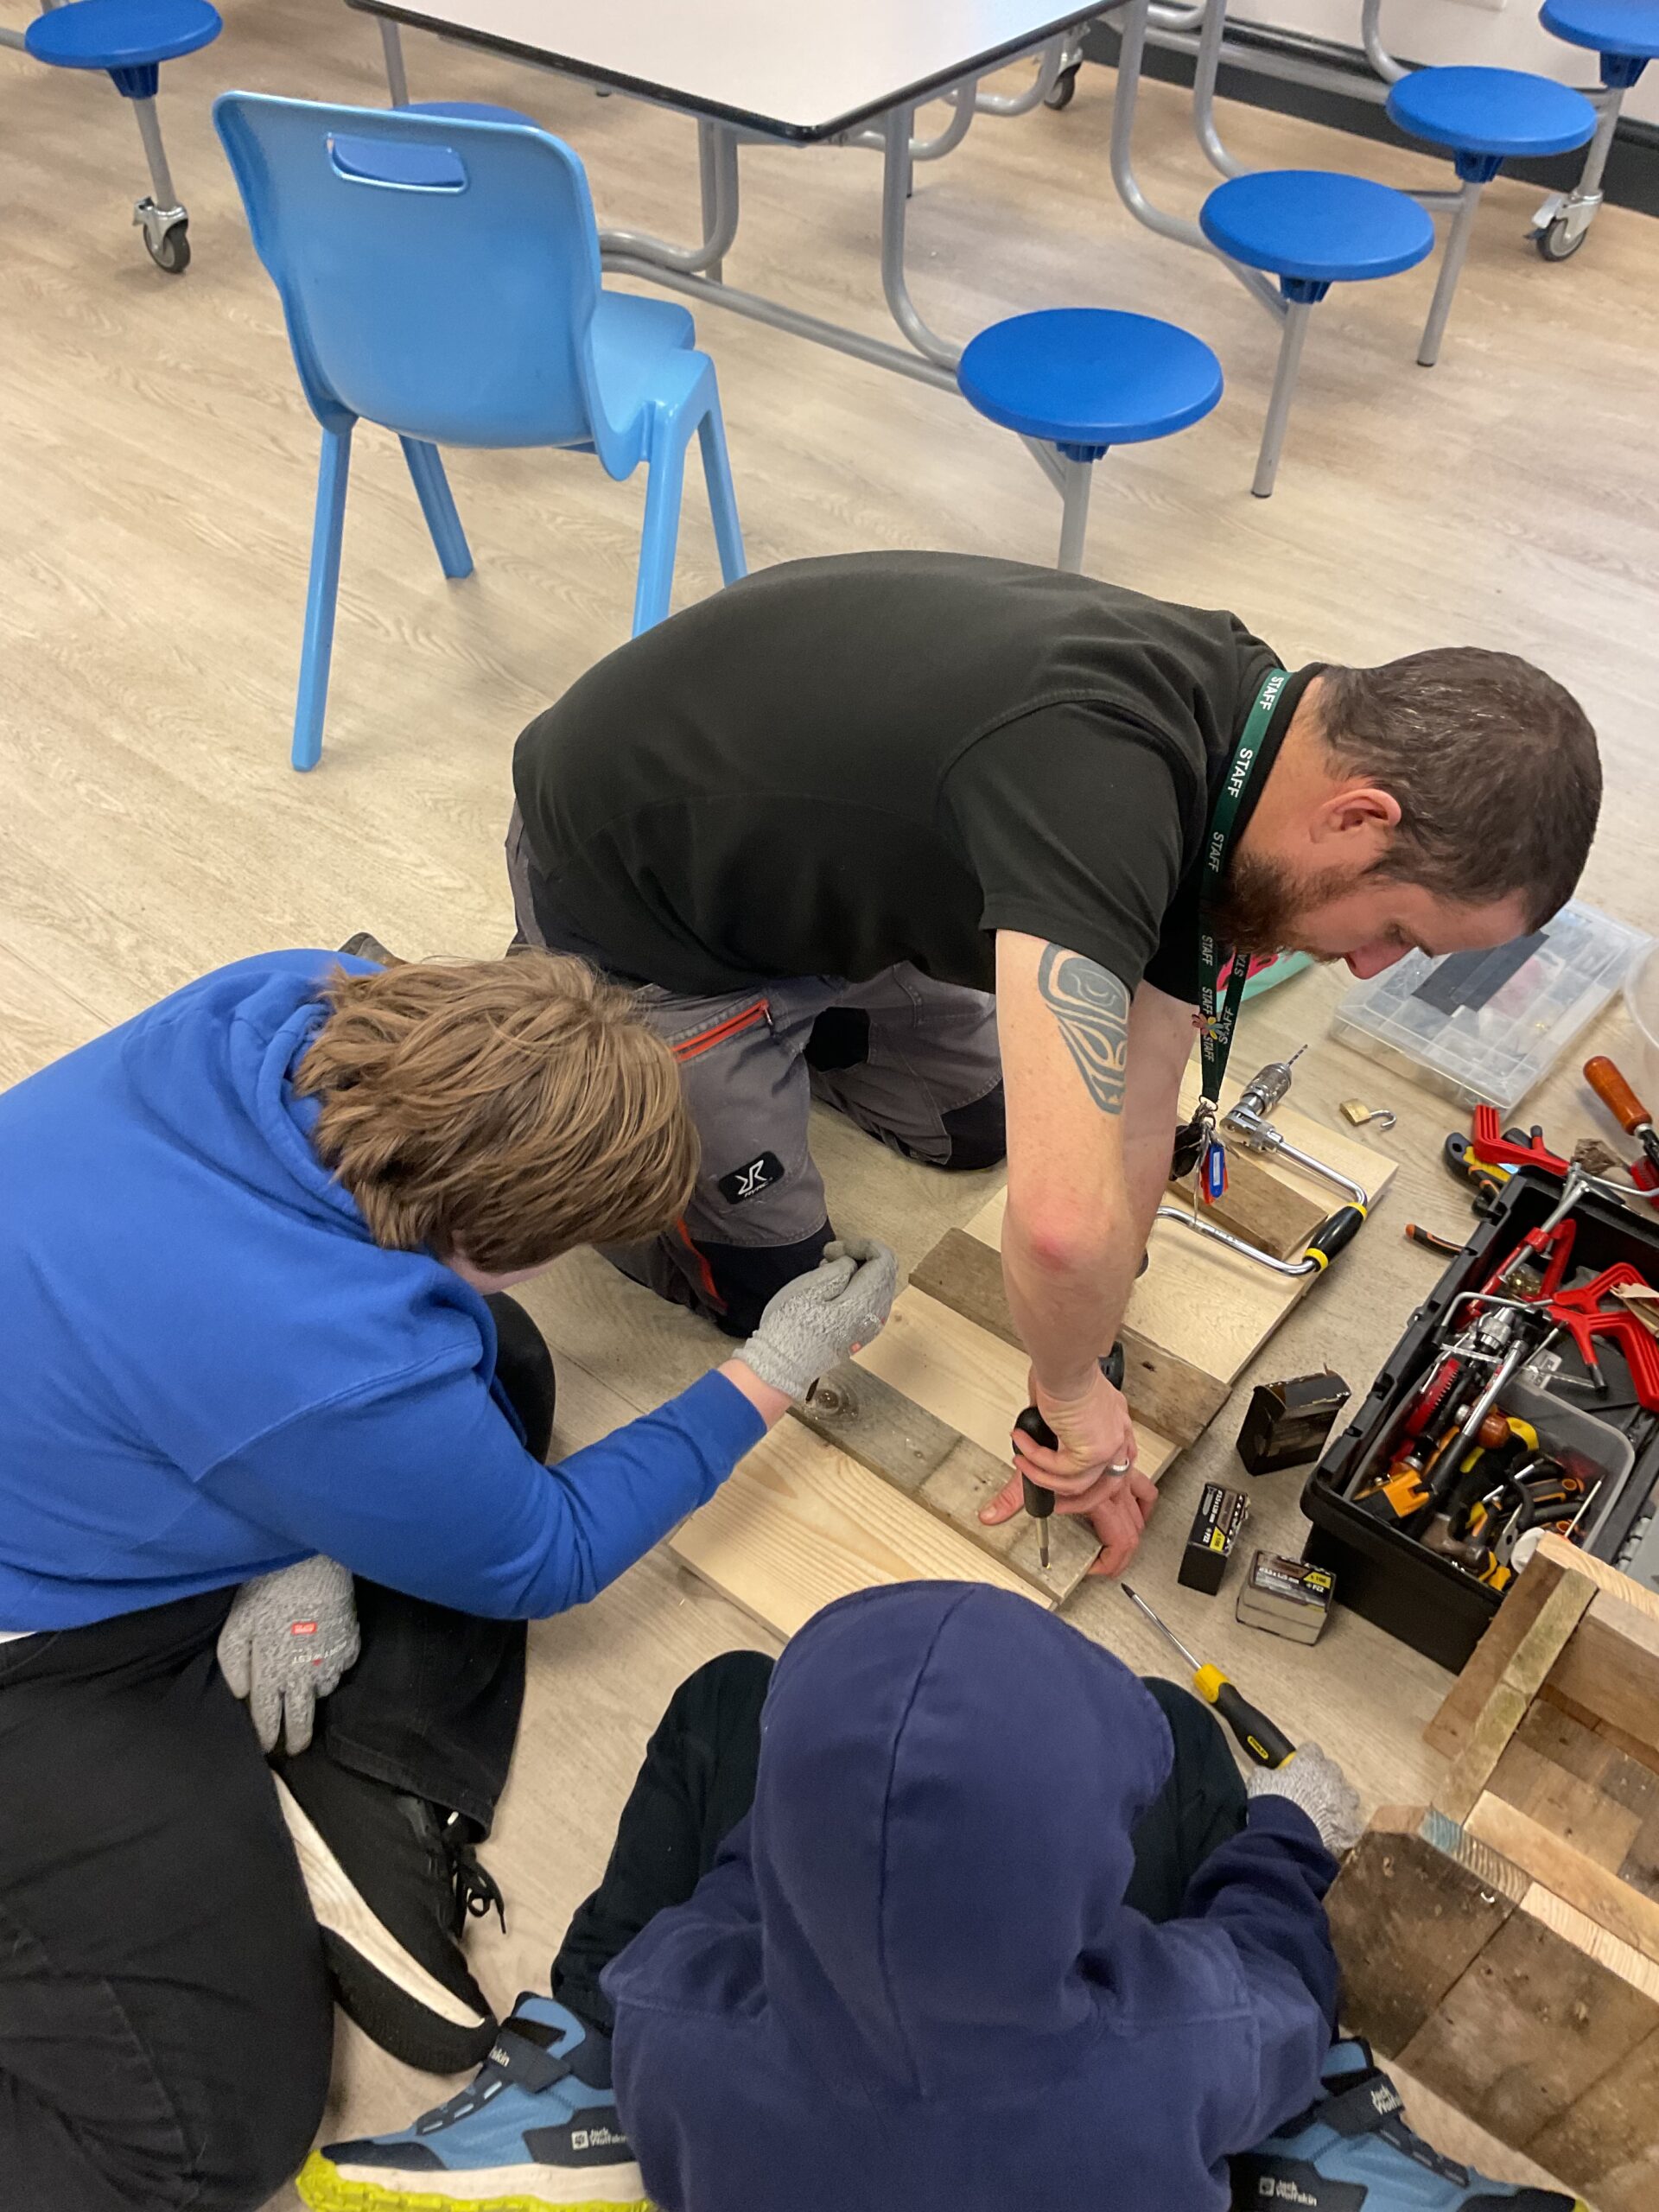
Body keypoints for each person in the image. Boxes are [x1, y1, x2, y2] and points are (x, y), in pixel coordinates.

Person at [0, 948, 894, 2212]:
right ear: (487, 1230)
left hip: (63, 1391)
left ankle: (300, 1596)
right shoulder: (339, 1363)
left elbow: (296, 1343)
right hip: (35, 1636)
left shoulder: (290, 998)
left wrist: (303, 1532)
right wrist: (777, 1366)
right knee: (212, 2127)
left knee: (497, 1370)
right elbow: (554, 1555)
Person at [507, 551, 1603, 1574]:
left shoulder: (1250, 755)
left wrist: (1096, 1344)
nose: (1367, 967)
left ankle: (798, 1030)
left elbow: (1144, 1079)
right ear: (1358, 814)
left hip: (814, 885)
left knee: (983, 1125)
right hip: (643, 913)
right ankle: (538, 1065)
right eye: (1398, 933)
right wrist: (1071, 1385)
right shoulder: (1098, 788)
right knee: (780, 1299)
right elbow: (1060, 1227)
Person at [310, 1582, 1585, 2212]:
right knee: (1184, 1735)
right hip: (1157, 2118)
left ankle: (559, 2080)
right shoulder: (1172, 2044)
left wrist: (821, 1824)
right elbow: (1273, 1974)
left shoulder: (676, 2032)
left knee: (728, 1696)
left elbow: (706, 1913)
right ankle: (1315, 2143)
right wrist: (1288, 1832)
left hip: (728, 2080)